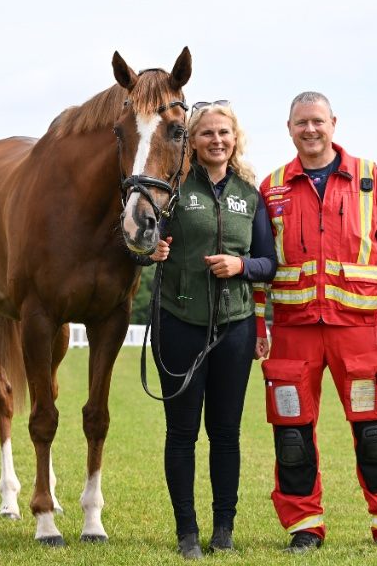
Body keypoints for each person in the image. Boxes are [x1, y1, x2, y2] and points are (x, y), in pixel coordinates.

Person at [254, 91, 377, 553]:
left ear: (333, 123)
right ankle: (304, 525)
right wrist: (260, 326)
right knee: (292, 435)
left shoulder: (368, 176)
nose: (310, 130)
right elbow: (262, 263)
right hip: (292, 331)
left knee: (373, 431)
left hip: (357, 329)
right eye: (301, 123)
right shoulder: (273, 186)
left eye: (318, 121)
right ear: (289, 128)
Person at [148, 101, 276, 559]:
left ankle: (224, 529)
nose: (216, 140)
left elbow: (269, 264)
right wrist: (153, 250)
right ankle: (187, 533)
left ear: (234, 138)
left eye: (224, 133)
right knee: (181, 434)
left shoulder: (249, 193)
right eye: (206, 134)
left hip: (235, 328)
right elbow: (141, 240)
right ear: (193, 142)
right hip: (179, 323)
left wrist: (241, 264)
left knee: (225, 434)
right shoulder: (174, 187)